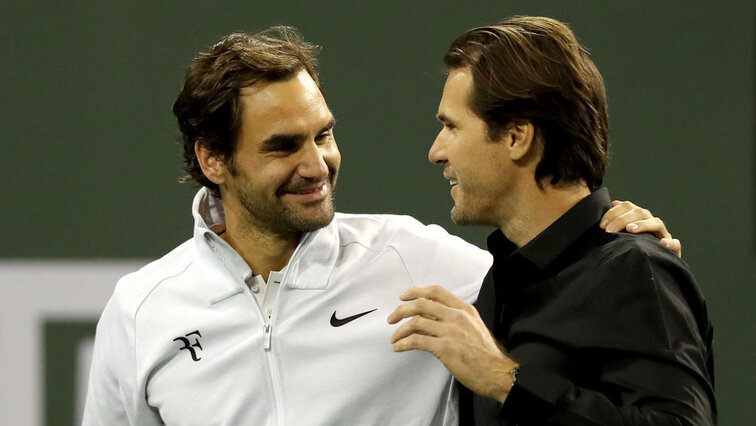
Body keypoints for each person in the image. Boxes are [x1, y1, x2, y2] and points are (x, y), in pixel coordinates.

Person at [83, 26, 679, 425]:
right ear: (213, 158)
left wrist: (618, 235)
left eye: (324, 134)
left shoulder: (417, 260)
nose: (318, 165)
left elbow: (563, 278)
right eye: (284, 146)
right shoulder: (141, 311)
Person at [388, 16, 715, 425]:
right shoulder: (499, 284)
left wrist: (503, 378)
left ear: (516, 137)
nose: (436, 152)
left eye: (451, 127)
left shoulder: (636, 266)